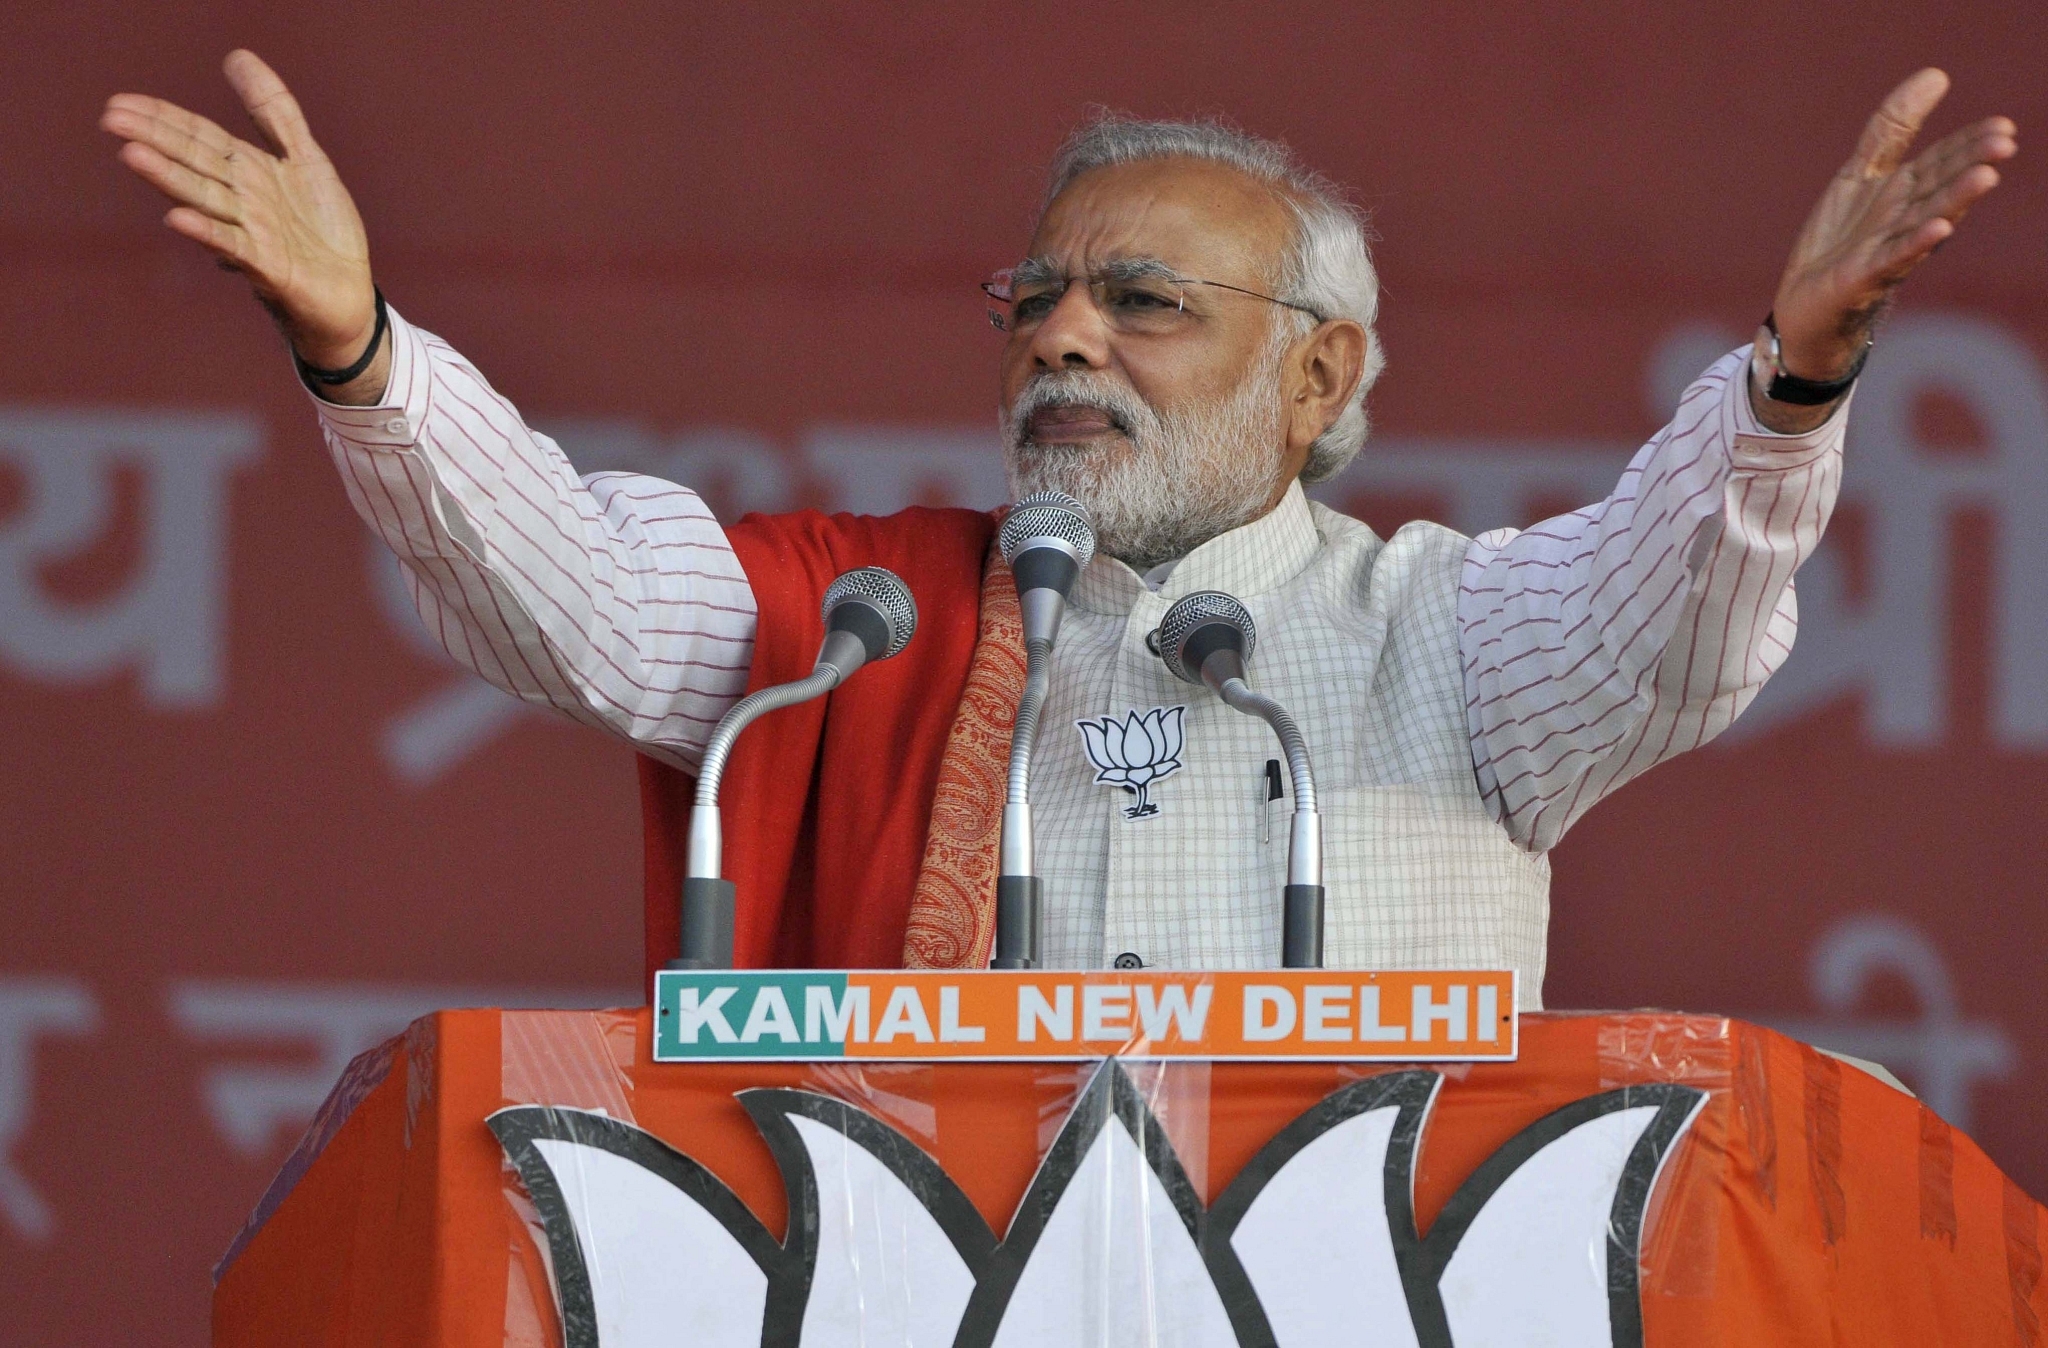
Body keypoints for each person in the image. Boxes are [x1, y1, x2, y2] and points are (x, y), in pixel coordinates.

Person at [102, 53, 2016, 1003]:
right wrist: (361, 354)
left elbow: (1672, 616)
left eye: (1144, 303)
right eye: (1039, 301)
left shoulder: (1450, 637)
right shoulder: (862, 623)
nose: (1065, 338)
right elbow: (578, 594)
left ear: (1322, 379)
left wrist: (1789, 388)